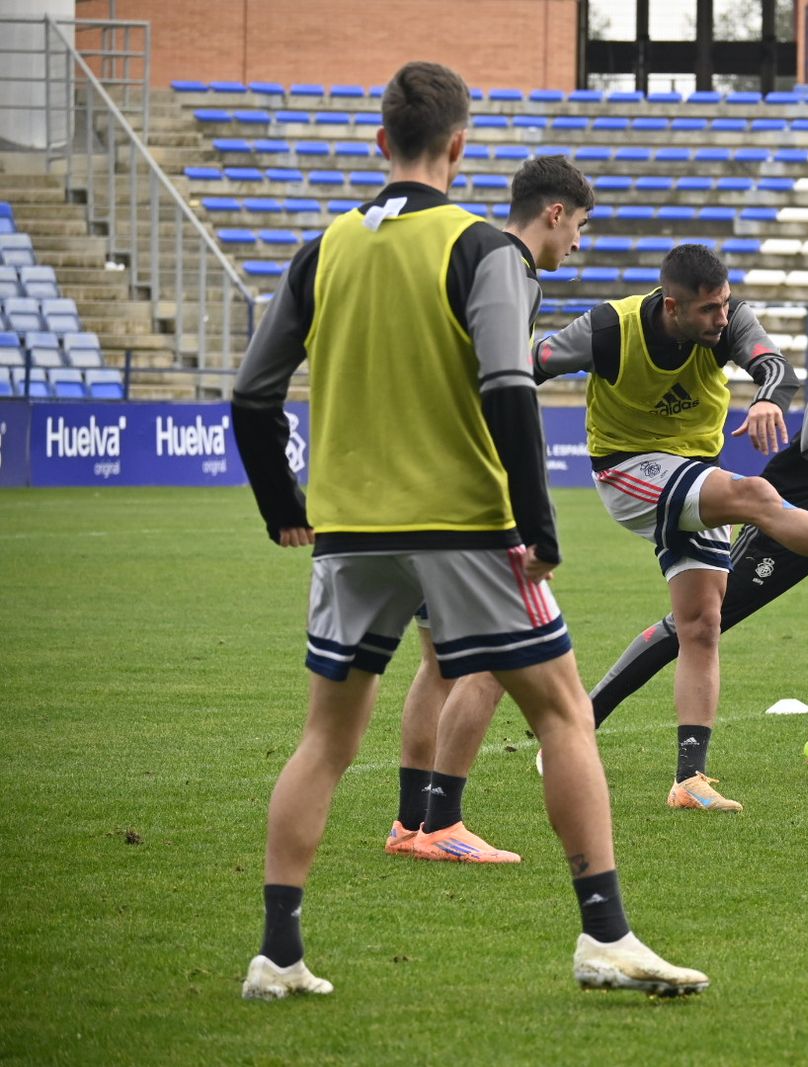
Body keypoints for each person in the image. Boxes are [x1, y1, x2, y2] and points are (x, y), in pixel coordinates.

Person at [230, 60, 706, 1000]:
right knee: (565, 710)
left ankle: (277, 952)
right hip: (462, 522)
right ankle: (604, 935)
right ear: (458, 147)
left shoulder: (322, 247)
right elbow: (507, 386)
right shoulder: (482, 248)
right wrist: (538, 521)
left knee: (325, 739)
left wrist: (282, 506)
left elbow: (251, 396)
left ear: (379, 144)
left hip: (349, 530)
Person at [533, 244, 808, 812]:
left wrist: (770, 399)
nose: (722, 319)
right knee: (754, 495)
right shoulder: (606, 328)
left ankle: (687, 780)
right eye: (708, 310)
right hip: (626, 469)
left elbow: (775, 367)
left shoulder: (728, 317)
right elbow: (526, 366)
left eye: (725, 305)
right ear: (672, 306)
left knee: (701, 623)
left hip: (693, 472)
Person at [383, 156, 595, 866]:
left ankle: (412, 823)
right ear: (555, 213)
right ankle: (442, 821)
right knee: (493, 665)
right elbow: (507, 389)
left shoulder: (467, 257)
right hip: (469, 498)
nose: (578, 246)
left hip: (412, 491)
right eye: (580, 228)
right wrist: (535, 519)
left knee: (440, 662)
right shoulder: (507, 265)